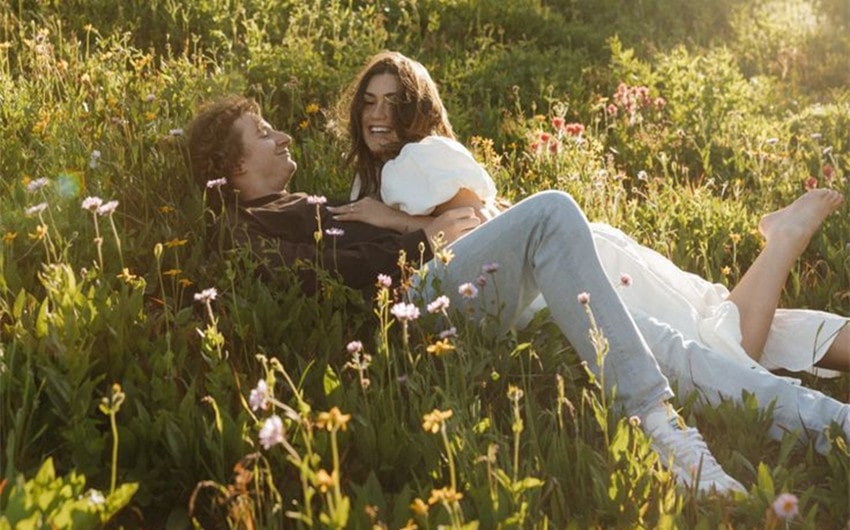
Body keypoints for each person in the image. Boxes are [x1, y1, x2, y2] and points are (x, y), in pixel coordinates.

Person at [187, 95, 750, 494]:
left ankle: (829, 423)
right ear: (234, 165)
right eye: (263, 134)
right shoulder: (244, 228)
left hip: (433, 285)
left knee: (663, 342)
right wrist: (424, 239)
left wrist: (436, 224)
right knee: (551, 211)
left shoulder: (298, 205)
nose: (282, 135)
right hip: (411, 312)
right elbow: (321, 280)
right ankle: (661, 428)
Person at [329, 51, 850, 454]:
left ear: (418, 109)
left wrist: (396, 220)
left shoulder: (415, 159)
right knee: (717, 310)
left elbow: (474, 223)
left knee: (721, 342)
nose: (378, 114)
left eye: (393, 101)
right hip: (585, 247)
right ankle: (782, 239)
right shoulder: (380, 175)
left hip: (575, 262)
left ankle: (781, 243)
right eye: (369, 102)